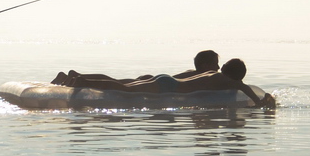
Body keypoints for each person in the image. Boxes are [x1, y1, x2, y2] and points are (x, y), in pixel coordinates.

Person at [62, 58, 275, 108]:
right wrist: (262, 103)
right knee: (123, 88)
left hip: (167, 80)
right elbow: (247, 90)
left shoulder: (213, 73)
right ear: (238, 75)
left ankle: (82, 78)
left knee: (123, 84)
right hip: (168, 87)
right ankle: (82, 80)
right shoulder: (231, 82)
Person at [50, 49, 220, 85]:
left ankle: (75, 75)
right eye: (215, 64)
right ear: (205, 65)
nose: (218, 67)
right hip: (155, 82)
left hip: (153, 78)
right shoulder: (205, 75)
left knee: (115, 81)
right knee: (116, 84)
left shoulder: (193, 72)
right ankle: (79, 79)